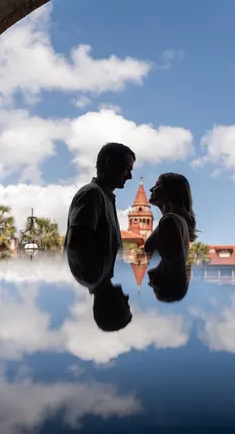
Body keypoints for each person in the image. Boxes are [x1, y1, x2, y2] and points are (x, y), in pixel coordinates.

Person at [64, 142, 136, 331]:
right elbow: (77, 240)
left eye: (124, 305)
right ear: (109, 162)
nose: (130, 175)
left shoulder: (103, 197)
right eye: (127, 168)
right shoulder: (92, 194)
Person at [143, 173, 197, 303]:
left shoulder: (169, 221)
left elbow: (174, 262)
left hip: (165, 286)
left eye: (157, 185)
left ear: (169, 192)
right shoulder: (175, 220)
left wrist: (157, 282)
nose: (151, 189)